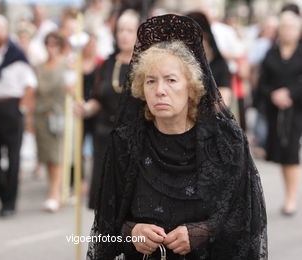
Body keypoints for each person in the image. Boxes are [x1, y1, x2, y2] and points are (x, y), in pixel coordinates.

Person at [87, 14, 267, 259]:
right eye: (151, 81)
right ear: (141, 88)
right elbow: (107, 224)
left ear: (191, 88)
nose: (160, 90)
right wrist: (132, 231)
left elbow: (246, 218)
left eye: (171, 80)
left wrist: (203, 231)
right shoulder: (125, 143)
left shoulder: (225, 143)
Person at [75, 9, 140, 209]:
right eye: (120, 30)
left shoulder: (146, 64)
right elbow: (98, 100)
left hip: (135, 138)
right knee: (104, 200)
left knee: (130, 202)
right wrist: (85, 109)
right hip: (105, 137)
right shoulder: (107, 64)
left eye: (129, 30)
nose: (124, 35)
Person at [0, 14, 37, 217]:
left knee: (13, 156)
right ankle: (3, 192)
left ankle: (9, 202)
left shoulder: (16, 54)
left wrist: (22, 109)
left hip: (11, 107)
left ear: (5, 30)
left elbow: (30, 84)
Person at [257, 11, 302, 216]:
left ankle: (291, 198)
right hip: (276, 111)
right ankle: (289, 194)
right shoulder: (271, 52)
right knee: (283, 154)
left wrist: (290, 93)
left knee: (291, 152)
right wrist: (274, 95)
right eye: (284, 27)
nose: (287, 31)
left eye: (292, 27)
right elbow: (262, 84)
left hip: (297, 109)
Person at [33, 32, 67, 212]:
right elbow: (33, 92)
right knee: (46, 156)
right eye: (48, 44)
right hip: (40, 115)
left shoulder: (66, 65)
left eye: (55, 44)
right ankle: (55, 191)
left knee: (56, 156)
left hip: (58, 114)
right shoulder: (39, 66)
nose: (51, 48)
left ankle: (54, 193)